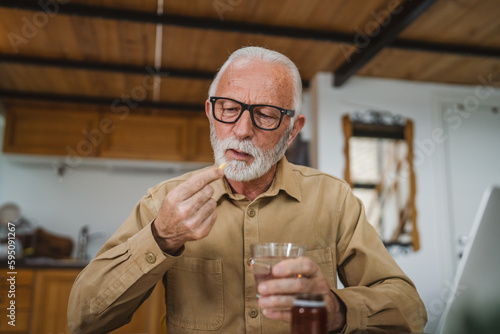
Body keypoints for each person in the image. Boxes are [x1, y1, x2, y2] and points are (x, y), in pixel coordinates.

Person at [68, 46, 427, 333]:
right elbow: (83, 320)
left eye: (266, 114)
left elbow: (411, 312)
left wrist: (335, 310)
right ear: (210, 112)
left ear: (292, 129)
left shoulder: (334, 200)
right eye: (229, 108)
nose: (241, 129)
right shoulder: (163, 203)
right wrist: (161, 236)